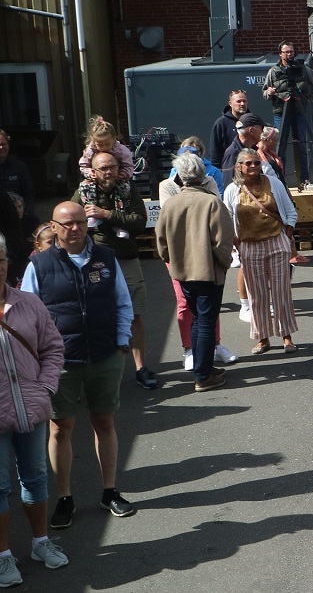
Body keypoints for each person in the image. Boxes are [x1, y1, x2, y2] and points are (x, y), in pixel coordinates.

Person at [24, 202, 136, 529]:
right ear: (54, 227)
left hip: (104, 355)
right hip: (60, 363)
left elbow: (122, 302)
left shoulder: (106, 257)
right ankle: (65, 498)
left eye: (79, 223)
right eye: (67, 224)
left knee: (104, 421)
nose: (75, 229)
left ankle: (110, 491)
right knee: (61, 428)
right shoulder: (40, 266)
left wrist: (121, 343)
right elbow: (28, 317)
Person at [0, 242, 68, 581]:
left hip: (32, 407)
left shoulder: (29, 303)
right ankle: (3, 555)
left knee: (36, 476)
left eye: (0, 259)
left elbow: (53, 348)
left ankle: (41, 542)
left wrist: (45, 387)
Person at [71, 151, 158, 390]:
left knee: (134, 314)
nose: (108, 172)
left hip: (127, 259)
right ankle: (105, 370)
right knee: (100, 315)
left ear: (119, 167)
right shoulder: (84, 192)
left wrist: (106, 214)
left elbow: (140, 221)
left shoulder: (128, 190)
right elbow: (71, 222)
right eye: (103, 168)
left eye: (112, 167)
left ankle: (141, 368)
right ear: (94, 171)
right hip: (97, 261)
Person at [154, 154, 236, 392]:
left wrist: (171, 259)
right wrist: (225, 262)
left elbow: (161, 242)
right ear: (202, 175)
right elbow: (223, 241)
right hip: (209, 272)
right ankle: (203, 375)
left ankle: (205, 367)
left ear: (180, 176)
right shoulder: (211, 202)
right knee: (206, 322)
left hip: (183, 271)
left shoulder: (171, 203)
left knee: (198, 320)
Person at [223, 150, 300, 355]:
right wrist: (236, 242)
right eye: (248, 163)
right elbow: (227, 216)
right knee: (257, 295)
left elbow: (290, 211)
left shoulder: (274, 183)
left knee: (281, 291)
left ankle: (287, 337)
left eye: (256, 162)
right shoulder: (232, 189)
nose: (253, 166)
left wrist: (288, 234)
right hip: (249, 245)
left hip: (276, 242)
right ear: (239, 167)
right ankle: (263, 338)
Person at [261, 41, 313, 186]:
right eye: (286, 52)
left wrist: (308, 99)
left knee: (302, 145)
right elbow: (265, 92)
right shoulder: (273, 71)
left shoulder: (302, 69)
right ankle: (279, 179)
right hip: (281, 112)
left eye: (291, 51)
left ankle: (305, 179)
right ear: (280, 54)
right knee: (280, 146)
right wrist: (269, 92)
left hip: (298, 111)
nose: (289, 54)